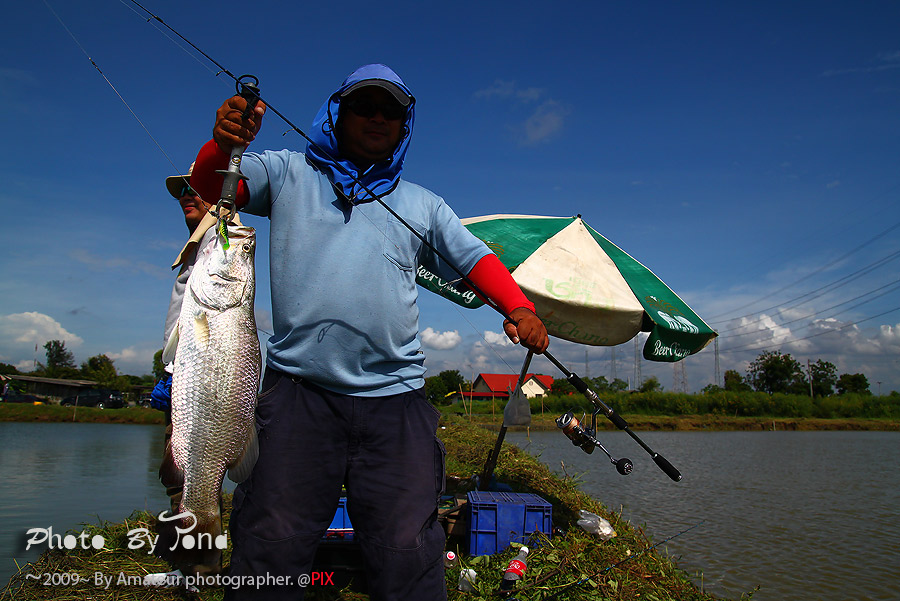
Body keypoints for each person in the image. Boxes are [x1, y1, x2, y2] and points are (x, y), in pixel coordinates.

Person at [188, 63, 549, 601]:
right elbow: (212, 190)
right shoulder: (288, 173)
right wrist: (222, 144)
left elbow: (474, 258)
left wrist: (519, 307)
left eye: (392, 111)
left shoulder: (423, 205)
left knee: (406, 549)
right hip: (297, 397)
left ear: (405, 126)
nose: (378, 117)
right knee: (272, 542)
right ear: (338, 113)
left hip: (396, 404)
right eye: (365, 105)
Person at [144, 167, 236, 586]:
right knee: (179, 476)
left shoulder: (222, 238)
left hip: (205, 379)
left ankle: (200, 568)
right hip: (182, 375)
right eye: (180, 190)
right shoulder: (198, 242)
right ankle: (187, 558)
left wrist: (224, 205)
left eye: (193, 189)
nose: (185, 195)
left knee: (198, 478)